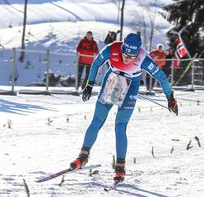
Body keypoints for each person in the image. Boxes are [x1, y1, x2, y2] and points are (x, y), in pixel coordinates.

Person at [70, 33, 178, 183]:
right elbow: (95, 63)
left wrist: (170, 98)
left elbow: (162, 77)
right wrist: (89, 84)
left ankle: (120, 167)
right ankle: (82, 156)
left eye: (132, 56)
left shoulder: (144, 59)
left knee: (120, 126)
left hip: (131, 86)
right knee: (97, 120)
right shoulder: (111, 49)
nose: (127, 59)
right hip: (113, 80)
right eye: (125, 54)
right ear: (122, 48)